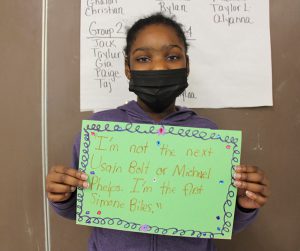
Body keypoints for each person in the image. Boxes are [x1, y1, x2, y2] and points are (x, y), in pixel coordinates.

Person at [46, 13, 271, 251]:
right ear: (128, 69)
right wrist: (63, 196)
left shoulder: (208, 136)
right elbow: (81, 209)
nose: (159, 67)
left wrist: (243, 206)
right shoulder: (100, 132)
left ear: (187, 65)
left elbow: (217, 221)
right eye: (143, 59)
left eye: (172, 56)